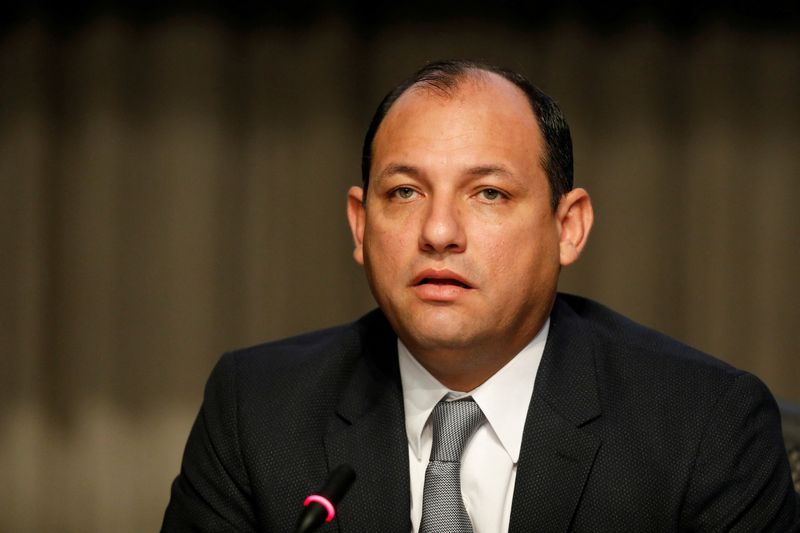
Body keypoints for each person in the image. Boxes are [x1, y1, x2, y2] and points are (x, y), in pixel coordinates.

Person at [162, 60, 799, 532]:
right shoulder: (258, 410)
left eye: (488, 193)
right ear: (360, 226)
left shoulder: (704, 425)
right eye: (404, 193)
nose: (439, 232)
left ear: (566, 227)